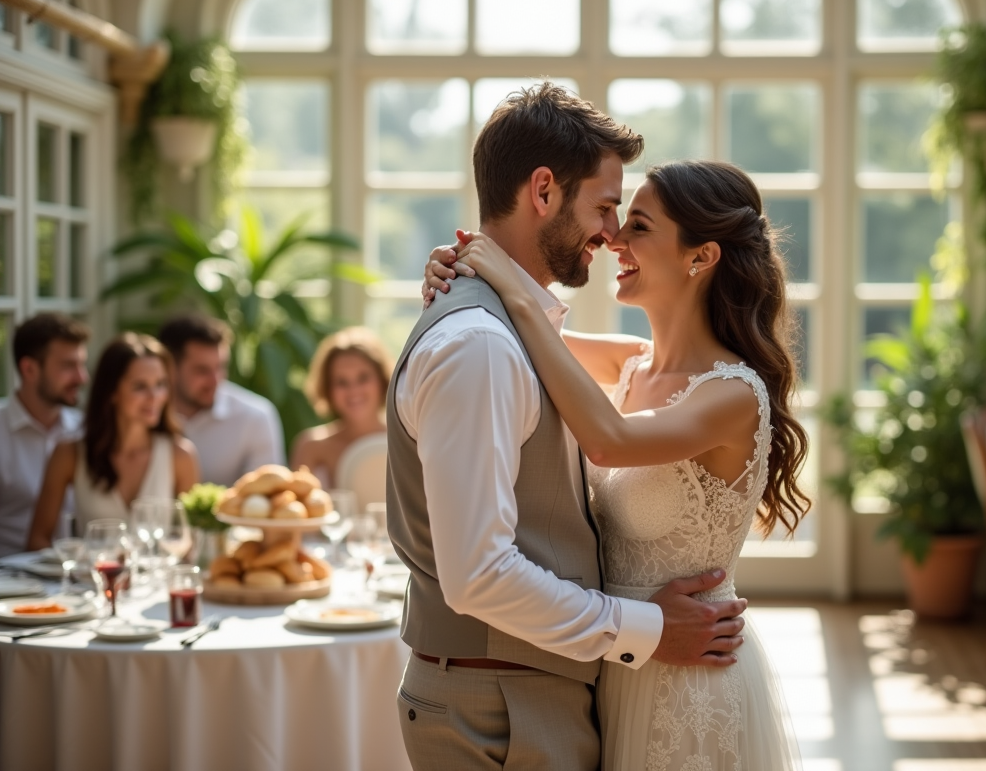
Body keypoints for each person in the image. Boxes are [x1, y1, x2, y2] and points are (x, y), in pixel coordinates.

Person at [387, 82, 749, 771]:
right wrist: (647, 628)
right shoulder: (481, 346)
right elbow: (480, 576)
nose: (612, 235)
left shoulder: (507, 331)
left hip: (543, 692)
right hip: (498, 707)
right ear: (544, 191)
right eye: (607, 208)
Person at [426, 159, 811, 769]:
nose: (613, 240)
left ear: (701, 257)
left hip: (689, 680)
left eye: (639, 226)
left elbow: (607, 441)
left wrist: (510, 289)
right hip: (621, 661)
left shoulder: (733, 395)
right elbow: (509, 330)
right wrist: (464, 271)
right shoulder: (635, 363)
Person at [26, 333, 199, 550]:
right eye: (140, 386)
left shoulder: (181, 456)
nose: (155, 396)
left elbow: (190, 542)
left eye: (161, 384)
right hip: (91, 581)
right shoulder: (69, 453)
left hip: (155, 583)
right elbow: (37, 540)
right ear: (112, 392)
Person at [157, 315, 285, 486]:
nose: (215, 380)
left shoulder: (256, 417)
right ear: (169, 368)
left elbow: (265, 497)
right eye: (202, 370)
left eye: (221, 367)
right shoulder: (144, 412)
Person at [0, 314, 90, 556]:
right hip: (9, 580)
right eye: (68, 366)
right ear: (29, 369)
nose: (82, 378)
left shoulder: (86, 431)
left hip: (76, 578)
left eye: (82, 365)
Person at [291, 326, 390, 488]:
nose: (354, 390)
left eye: (363, 378)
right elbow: (298, 507)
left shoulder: (409, 440)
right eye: (341, 382)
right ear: (327, 389)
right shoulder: (311, 446)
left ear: (383, 380)